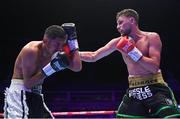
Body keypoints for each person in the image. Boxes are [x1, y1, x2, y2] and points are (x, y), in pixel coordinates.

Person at [79, 9, 180, 118]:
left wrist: (132, 51)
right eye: (117, 24)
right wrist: (71, 54)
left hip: (156, 88)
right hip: (134, 90)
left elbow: (154, 67)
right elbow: (93, 56)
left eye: (120, 22)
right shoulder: (118, 41)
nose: (118, 27)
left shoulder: (151, 37)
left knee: (171, 117)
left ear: (132, 20)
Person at [4, 23, 82, 118]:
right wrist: (51, 68)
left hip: (36, 96)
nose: (60, 48)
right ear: (46, 40)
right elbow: (28, 84)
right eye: (57, 44)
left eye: (63, 44)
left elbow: (77, 67)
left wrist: (73, 41)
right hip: (20, 95)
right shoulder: (31, 51)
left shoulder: (55, 53)